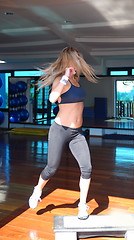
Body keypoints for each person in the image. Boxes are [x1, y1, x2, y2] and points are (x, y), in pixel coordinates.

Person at [29, 46, 97, 220]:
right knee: (51, 168)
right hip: (60, 130)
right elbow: (52, 98)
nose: (80, 60)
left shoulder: (77, 81)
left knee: (87, 168)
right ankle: (38, 190)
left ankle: (82, 206)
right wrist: (65, 76)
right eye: (77, 57)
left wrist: (71, 77)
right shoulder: (61, 79)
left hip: (77, 133)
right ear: (69, 59)